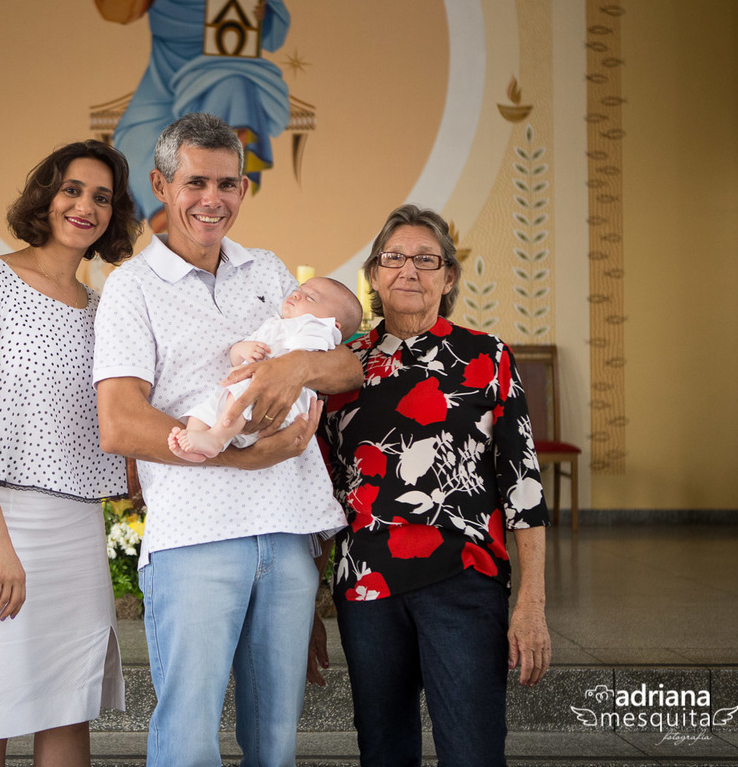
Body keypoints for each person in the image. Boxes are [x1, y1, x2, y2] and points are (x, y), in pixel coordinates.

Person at [93, 112, 361, 766]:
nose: (211, 200)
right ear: (161, 183)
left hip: (288, 535)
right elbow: (119, 421)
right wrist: (242, 456)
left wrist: (295, 367)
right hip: (194, 538)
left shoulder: (269, 272)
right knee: (187, 737)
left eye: (227, 184)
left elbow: (347, 365)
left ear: (243, 190)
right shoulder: (132, 288)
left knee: (275, 743)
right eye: (194, 183)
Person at [309, 204, 552, 766]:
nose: (409, 271)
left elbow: (524, 487)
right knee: (384, 752)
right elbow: (315, 494)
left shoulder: (486, 356)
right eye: (393, 258)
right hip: (366, 585)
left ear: (448, 277)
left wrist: (532, 605)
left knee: (473, 751)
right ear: (373, 275)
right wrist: (308, 608)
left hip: (463, 579)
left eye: (426, 259)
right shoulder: (341, 364)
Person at [0, 140, 140, 766]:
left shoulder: (106, 311)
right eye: (72, 189)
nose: (85, 206)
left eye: (102, 197)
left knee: (67, 712)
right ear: (45, 197)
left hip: (75, 527)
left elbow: (121, 423)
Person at [95, 0, 291, 227]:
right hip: (164, 69)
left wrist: (260, 8)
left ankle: (194, 225)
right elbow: (112, 4)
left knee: (233, 93)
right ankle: (170, 238)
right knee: (133, 144)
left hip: (218, 63)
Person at [169, 276, 362, 459]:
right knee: (207, 406)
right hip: (247, 391)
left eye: (310, 297)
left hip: (279, 400)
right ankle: (196, 440)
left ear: (332, 323)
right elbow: (236, 358)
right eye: (298, 289)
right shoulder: (276, 323)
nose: (296, 294)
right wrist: (242, 349)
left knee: (241, 395)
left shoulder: (316, 328)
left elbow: (301, 359)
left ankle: (216, 438)